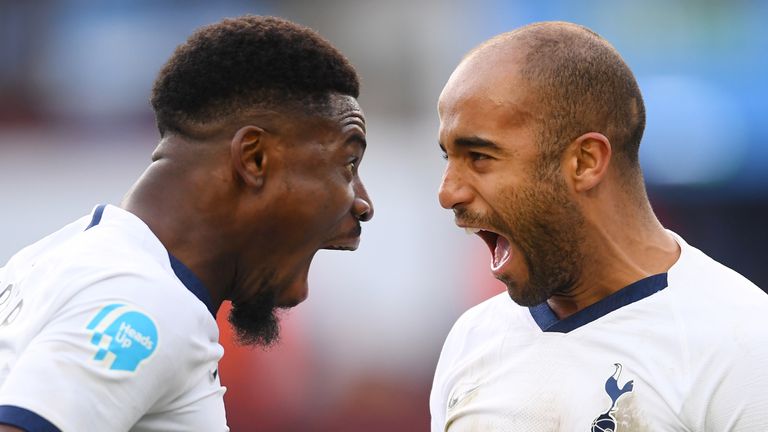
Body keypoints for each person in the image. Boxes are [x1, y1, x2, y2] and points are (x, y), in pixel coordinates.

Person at [0, 15, 373, 432]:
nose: (363, 203)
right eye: (348, 164)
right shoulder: (143, 302)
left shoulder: (48, 261)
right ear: (254, 159)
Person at [430, 21, 768, 431]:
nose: (448, 193)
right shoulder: (472, 340)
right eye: (447, 156)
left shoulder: (744, 344)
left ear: (585, 161)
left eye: (480, 156)